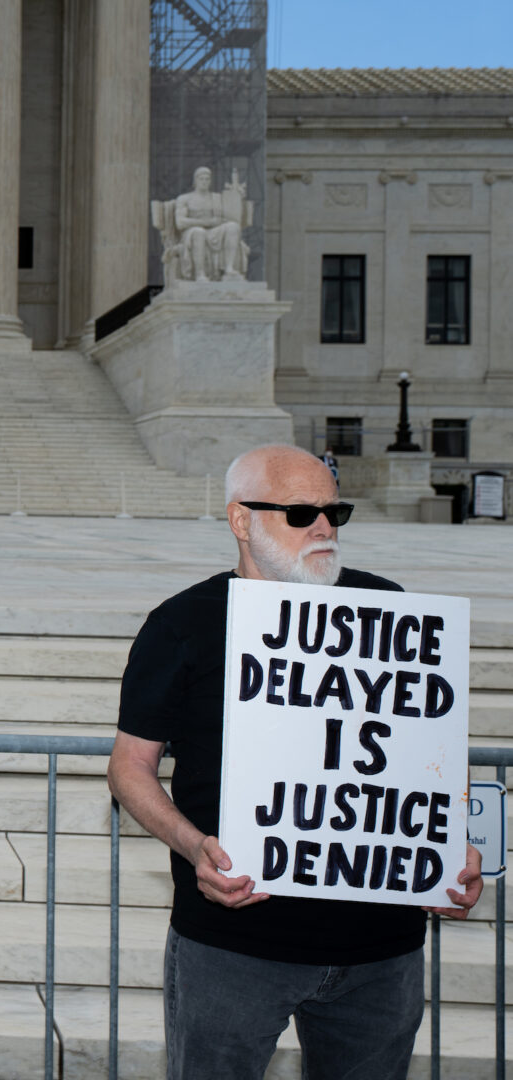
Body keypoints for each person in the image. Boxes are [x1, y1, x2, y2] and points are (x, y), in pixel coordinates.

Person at [106, 443, 482, 1080]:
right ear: (241, 520)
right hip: (234, 946)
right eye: (302, 513)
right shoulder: (183, 624)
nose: (325, 527)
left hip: (380, 953)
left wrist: (451, 846)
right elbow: (129, 767)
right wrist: (193, 845)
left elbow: (432, 749)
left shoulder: (390, 611)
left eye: (335, 511)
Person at [174, 166, 245, 282]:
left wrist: (238, 197)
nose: (204, 181)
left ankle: (229, 269)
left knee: (233, 227)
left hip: (214, 231)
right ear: (195, 180)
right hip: (192, 232)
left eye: (207, 179)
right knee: (199, 232)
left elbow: (233, 215)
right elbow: (180, 223)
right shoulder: (185, 198)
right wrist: (205, 222)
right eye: (201, 179)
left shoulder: (217, 198)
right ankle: (200, 273)